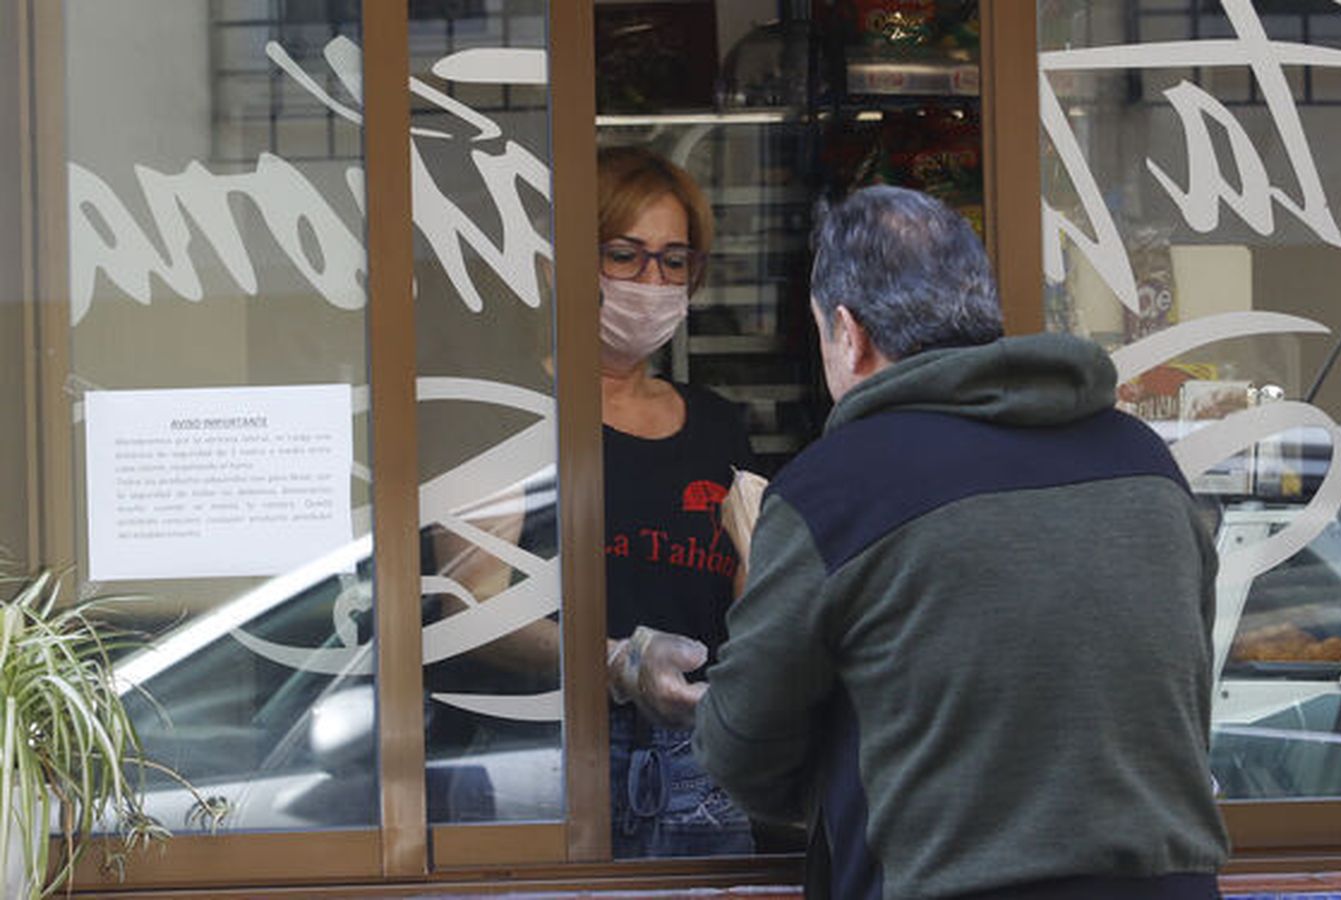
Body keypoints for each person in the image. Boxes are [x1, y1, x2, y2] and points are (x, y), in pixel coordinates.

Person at [692, 185, 1230, 899]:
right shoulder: (1145, 461)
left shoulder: (838, 490)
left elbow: (743, 744)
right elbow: (1181, 691)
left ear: (847, 333)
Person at [433, 145, 755, 858]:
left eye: (675, 261)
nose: (653, 281)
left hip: (700, 767)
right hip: (546, 761)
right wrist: (615, 662)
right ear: (559, 266)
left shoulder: (718, 425)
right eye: (625, 254)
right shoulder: (503, 412)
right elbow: (473, 609)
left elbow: (752, 604)